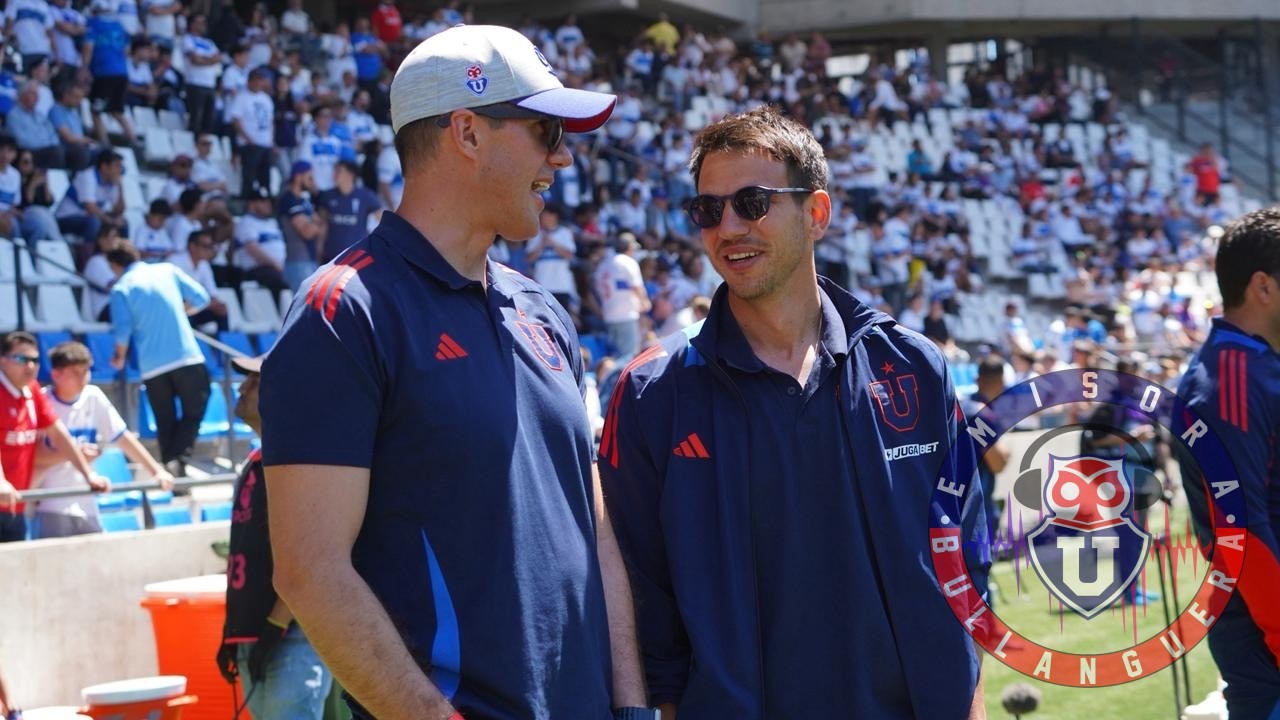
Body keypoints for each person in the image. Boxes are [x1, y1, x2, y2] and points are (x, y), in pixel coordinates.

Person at [260, 24, 652, 720]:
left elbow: (594, 528)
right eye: (542, 130)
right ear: (466, 133)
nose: (562, 157)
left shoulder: (545, 310)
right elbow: (309, 572)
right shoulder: (342, 310)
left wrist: (631, 706)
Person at [598, 105, 987, 718]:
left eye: (752, 202)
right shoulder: (652, 393)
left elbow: (962, 565)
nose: (727, 228)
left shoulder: (913, 367)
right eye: (708, 210)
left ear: (817, 213)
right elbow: (641, 601)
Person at [1176, 207, 1280, 720]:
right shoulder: (1226, 381)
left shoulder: (1258, 366)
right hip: (1269, 661)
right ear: (1263, 286)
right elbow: (1245, 536)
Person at [217, 353, 332, 719]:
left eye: (254, 382)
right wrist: (231, 633)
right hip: (254, 636)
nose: (242, 387)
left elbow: (315, 554)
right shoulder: (254, 462)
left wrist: (275, 624)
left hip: (294, 636)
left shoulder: (306, 461)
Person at [33, 341, 173, 538]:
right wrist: (73, 455)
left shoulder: (93, 396)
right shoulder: (41, 401)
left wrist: (156, 471)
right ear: (56, 374)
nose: (83, 378)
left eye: (86, 370)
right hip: (51, 503)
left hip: (88, 502)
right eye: (75, 372)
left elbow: (123, 438)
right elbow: (33, 458)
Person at [107, 240, 211, 477]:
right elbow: (202, 298)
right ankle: (178, 460)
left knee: (165, 421)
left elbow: (122, 330)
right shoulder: (168, 270)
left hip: (151, 366)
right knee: (194, 412)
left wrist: (119, 357)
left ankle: (171, 469)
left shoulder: (121, 288)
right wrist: (180, 312)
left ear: (115, 265)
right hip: (186, 356)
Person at [0, 332, 107, 542]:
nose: (30, 366)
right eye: (22, 359)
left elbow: (59, 435)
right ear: (2, 361)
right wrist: (1, 482)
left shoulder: (32, 391)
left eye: (35, 360)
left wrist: (88, 475)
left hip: (15, 504)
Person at [594, 232, 649, 358]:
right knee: (628, 356)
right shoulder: (628, 262)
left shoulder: (604, 264)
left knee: (615, 356)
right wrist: (645, 302)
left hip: (609, 316)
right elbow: (637, 287)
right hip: (626, 315)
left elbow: (597, 287)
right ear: (630, 248)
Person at [316, 158, 381, 264]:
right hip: (331, 259)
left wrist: (374, 245)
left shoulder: (365, 196)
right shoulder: (327, 196)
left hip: (356, 259)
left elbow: (382, 220)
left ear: (351, 174)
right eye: (335, 170)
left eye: (339, 171)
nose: (335, 174)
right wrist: (319, 248)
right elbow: (323, 225)